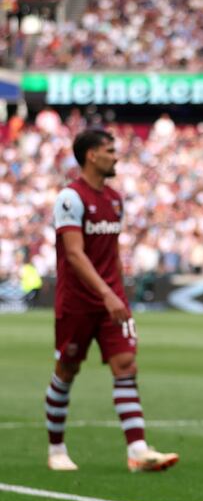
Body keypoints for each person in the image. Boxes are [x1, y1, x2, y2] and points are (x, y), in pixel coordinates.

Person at [46, 129, 178, 473]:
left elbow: (111, 252)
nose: (116, 156)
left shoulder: (115, 199)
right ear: (91, 155)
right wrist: (106, 292)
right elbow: (74, 254)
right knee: (67, 370)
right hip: (78, 302)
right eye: (109, 150)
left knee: (125, 366)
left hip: (111, 302)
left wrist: (120, 290)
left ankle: (138, 451)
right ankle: (56, 449)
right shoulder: (70, 198)